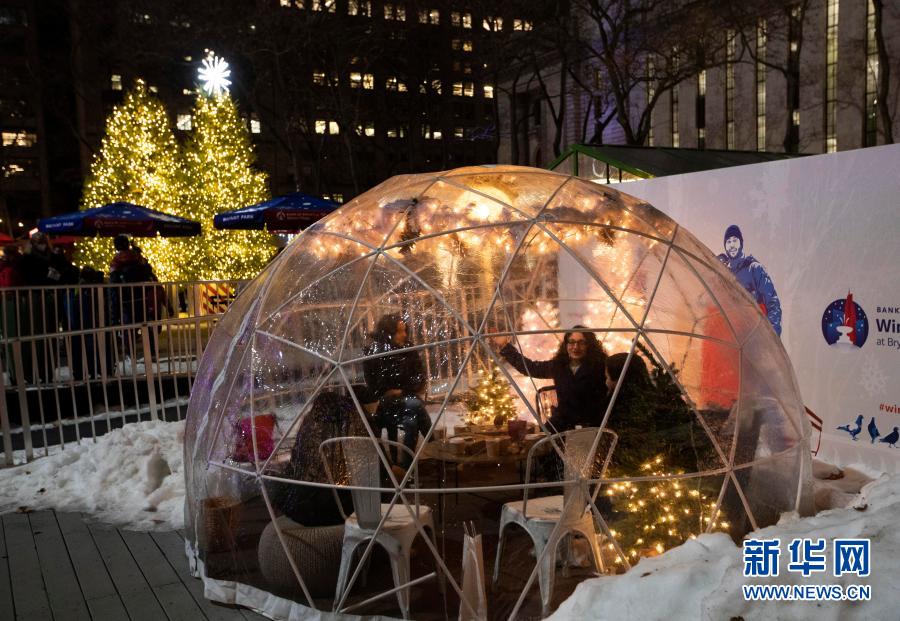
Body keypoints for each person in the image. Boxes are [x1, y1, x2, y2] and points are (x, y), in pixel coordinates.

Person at [275, 390, 369, 526]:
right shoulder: (352, 424)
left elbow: (297, 464)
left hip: (310, 509)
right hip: (351, 508)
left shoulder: (310, 424)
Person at [493, 326, 608, 432]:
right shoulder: (559, 365)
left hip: (591, 425)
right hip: (561, 423)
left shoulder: (600, 366)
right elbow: (530, 368)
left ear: (589, 345)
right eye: (571, 342)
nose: (575, 347)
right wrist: (505, 346)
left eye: (581, 343)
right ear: (566, 344)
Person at [363, 314, 431, 471]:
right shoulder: (375, 353)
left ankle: (405, 468)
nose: (404, 335)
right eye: (400, 331)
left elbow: (419, 377)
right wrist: (389, 392)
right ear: (388, 333)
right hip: (385, 404)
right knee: (416, 407)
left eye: (405, 330)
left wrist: (401, 390)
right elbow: (374, 384)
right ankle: (436, 447)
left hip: (407, 398)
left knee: (412, 420)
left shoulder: (408, 349)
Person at [717, 224, 782, 336]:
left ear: (741, 243)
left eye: (735, 240)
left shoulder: (754, 269)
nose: (732, 245)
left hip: (755, 334)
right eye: (728, 242)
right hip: (732, 336)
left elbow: (772, 303)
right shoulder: (722, 272)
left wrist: (772, 337)